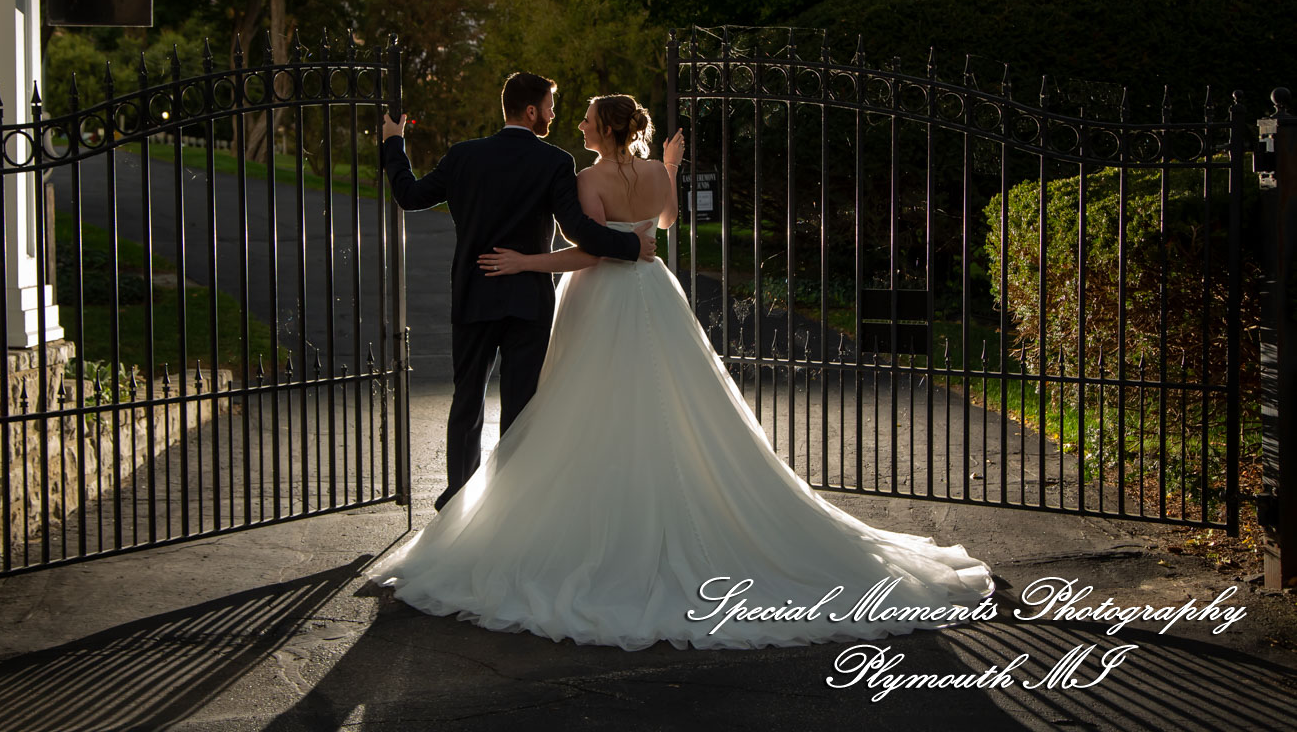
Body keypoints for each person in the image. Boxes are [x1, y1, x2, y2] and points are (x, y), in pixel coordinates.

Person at [368, 94, 993, 650]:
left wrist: (524, 258)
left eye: (586, 118)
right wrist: (665, 174)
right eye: (570, 114)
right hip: (648, 290)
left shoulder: (574, 174)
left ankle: (498, 511)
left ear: (604, 129)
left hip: (575, 297)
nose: (576, 123)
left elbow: (585, 247)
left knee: (564, 405)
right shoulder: (630, 173)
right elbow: (660, 225)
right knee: (655, 398)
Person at [380, 73, 655, 512]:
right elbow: (579, 231)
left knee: (467, 399)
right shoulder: (555, 162)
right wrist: (630, 245)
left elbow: (409, 195)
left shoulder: (464, 155)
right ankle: (509, 506)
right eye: (549, 107)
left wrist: (394, 143)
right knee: (520, 407)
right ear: (531, 111)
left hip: (474, 295)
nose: (553, 114)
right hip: (528, 302)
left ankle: (457, 499)